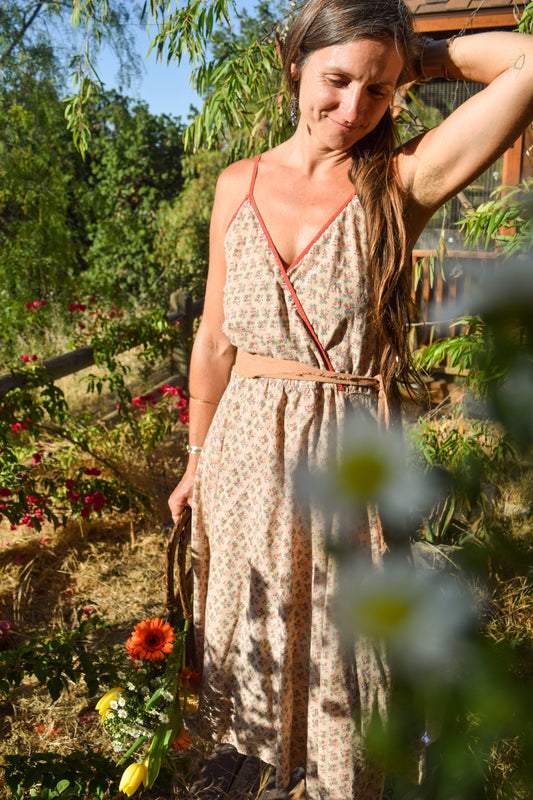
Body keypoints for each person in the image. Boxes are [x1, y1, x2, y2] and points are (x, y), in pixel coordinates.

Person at [168, 1, 533, 797]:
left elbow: (528, 64)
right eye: (335, 79)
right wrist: (194, 460)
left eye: (377, 91)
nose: (353, 107)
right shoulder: (236, 184)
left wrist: (416, 55)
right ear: (293, 62)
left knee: (350, 667)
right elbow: (214, 340)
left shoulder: (399, 181)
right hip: (239, 459)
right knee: (251, 648)